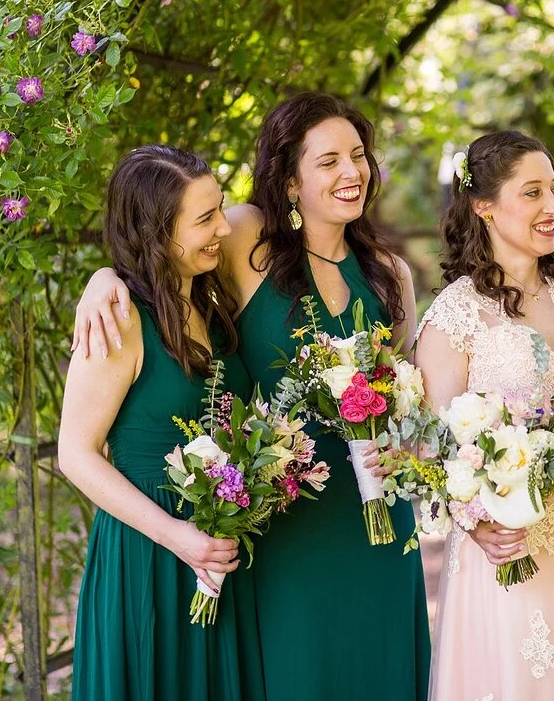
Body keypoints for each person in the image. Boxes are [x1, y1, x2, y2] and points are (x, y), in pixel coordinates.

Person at [69, 93, 428, 699]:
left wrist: (404, 446)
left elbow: (409, 401)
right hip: (285, 523)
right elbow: (154, 252)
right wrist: (100, 281)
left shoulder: (390, 274)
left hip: (378, 518)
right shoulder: (241, 235)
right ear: (289, 181)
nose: (352, 172)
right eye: (329, 160)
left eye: (359, 156)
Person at [416, 131, 554, 701]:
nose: (553, 207)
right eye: (533, 192)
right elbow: (438, 453)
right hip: (511, 546)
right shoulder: (454, 315)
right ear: (483, 206)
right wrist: (476, 522)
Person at [60, 145, 262, 700]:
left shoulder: (211, 305)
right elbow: (74, 453)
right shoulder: (119, 319)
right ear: (156, 232)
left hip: (217, 547)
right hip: (150, 551)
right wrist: (178, 537)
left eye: (219, 208)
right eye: (205, 219)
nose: (224, 226)